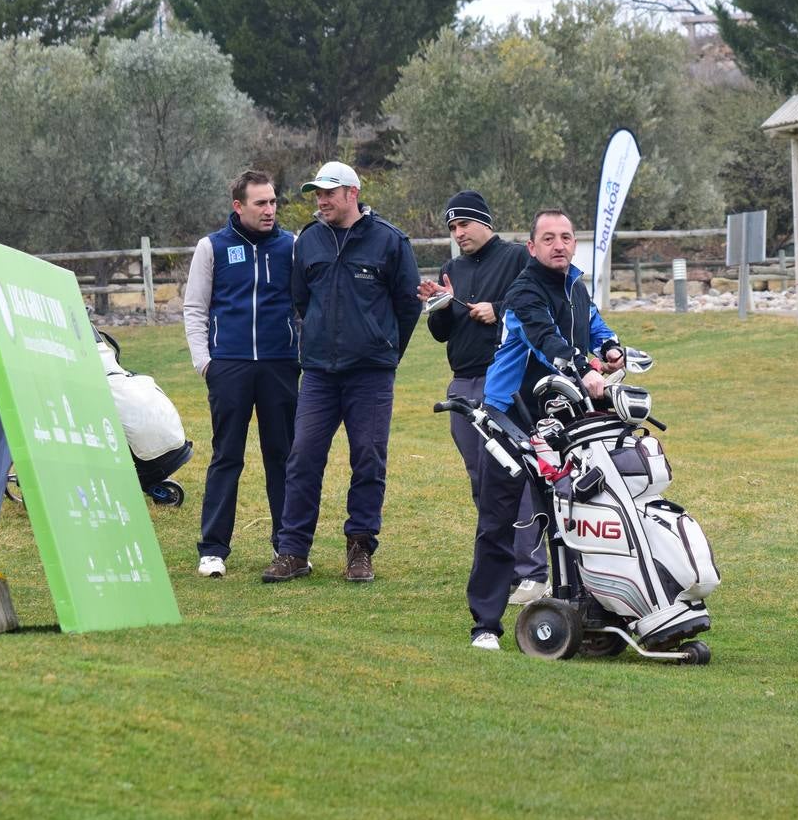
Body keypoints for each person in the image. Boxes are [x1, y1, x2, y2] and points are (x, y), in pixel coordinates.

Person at [466, 208, 626, 650]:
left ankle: (583, 611)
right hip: (507, 417)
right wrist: (583, 371)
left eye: (567, 237)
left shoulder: (574, 283)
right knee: (499, 520)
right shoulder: (523, 292)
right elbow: (546, 338)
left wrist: (610, 348)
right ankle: (485, 625)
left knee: (575, 515)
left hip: (558, 419)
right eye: (549, 238)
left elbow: (593, 324)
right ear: (531, 247)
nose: (560, 245)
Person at [264, 161, 423, 584]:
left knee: (368, 459)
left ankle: (359, 549)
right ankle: (293, 550)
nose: (321, 200)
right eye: (317, 193)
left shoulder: (390, 241)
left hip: (371, 374)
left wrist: (384, 350)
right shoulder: (309, 241)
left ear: (352, 193)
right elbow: (301, 301)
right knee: (302, 458)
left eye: (328, 193)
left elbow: (408, 306)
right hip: (318, 373)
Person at [416, 191, 549, 605]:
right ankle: (502, 566)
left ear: (484, 223)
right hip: (463, 383)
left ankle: (535, 571)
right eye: (452, 228)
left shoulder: (515, 258)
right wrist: (438, 306)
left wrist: (500, 308)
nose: (459, 234)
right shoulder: (452, 267)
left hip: (505, 382)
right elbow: (442, 333)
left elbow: (542, 300)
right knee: (482, 478)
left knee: (515, 475)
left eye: (464, 225)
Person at [183, 169, 299, 579]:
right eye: (261, 203)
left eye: (273, 202)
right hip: (228, 366)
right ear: (239, 206)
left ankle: (288, 547)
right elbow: (195, 308)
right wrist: (206, 362)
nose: (270, 210)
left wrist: (296, 352)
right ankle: (213, 549)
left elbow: (304, 306)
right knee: (226, 456)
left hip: (280, 365)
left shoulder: (292, 246)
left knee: (282, 458)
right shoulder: (211, 247)